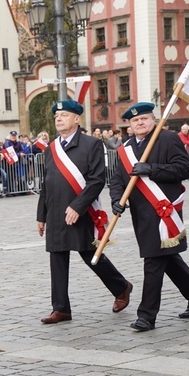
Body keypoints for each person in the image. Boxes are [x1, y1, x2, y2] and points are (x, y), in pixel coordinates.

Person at [36, 100, 133, 324]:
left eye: (64, 115)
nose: (58, 119)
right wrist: (41, 215)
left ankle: (121, 286)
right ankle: (61, 309)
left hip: (82, 210)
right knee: (57, 257)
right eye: (56, 116)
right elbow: (46, 183)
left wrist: (78, 207)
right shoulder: (52, 148)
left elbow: (97, 180)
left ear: (77, 119)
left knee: (90, 254)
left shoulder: (91, 144)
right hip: (55, 211)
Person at [109, 102, 189, 331]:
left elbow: (184, 169)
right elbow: (118, 179)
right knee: (169, 261)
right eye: (135, 121)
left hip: (164, 211)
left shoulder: (167, 139)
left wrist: (152, 169)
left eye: (144, 119)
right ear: (129, 126)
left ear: (153, 120)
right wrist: (117, 201)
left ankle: (146, 316)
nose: (140, 123)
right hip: (142, 215)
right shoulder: (125, 148)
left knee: (154, 261)